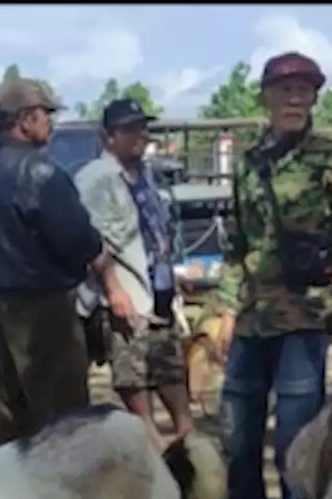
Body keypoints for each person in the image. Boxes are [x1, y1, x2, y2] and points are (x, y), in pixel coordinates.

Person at [208, 52, 332, 499]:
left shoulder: (331, 156)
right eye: (285, 90)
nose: (296, 98)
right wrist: (220, 308)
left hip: (306, 316)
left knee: (297, 431)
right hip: (254, 316)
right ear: (264, 97)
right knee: (237, 425)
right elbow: (238, 243)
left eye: (305, 90)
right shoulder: (249, 159)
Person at [0, 78, 134, 443]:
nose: (50, 124)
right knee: (63, 419)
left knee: (13, 415)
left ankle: (19, 496)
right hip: (44, 310)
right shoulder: (41, 174)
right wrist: (109, 281)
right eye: (45, 115)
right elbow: (80, 240)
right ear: (25, 120)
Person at [75, 98, 193, 449]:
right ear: (109, 136)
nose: (141, 135)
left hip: (158, 289)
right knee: (132, 371)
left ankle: (185, 433)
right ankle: (151, 439)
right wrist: (112, 290)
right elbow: (89, 240)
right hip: (125, 290)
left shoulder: (146, 175)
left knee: (168, 362)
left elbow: (156, 231)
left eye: (143, 127)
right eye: (130, 129)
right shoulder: (95, 179)